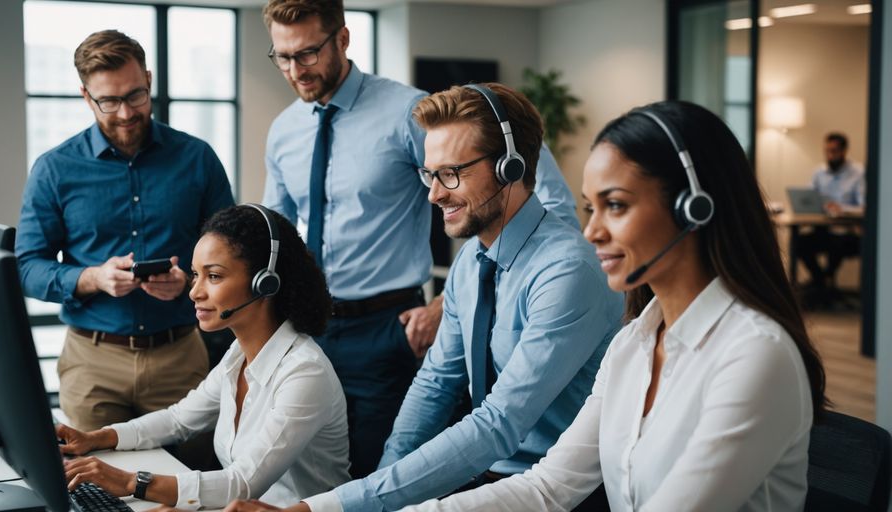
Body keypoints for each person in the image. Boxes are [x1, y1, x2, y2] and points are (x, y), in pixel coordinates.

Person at [389, 101, 828, 511]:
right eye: (590, 208)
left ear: (693, 208)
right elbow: (547, 488)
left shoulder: (755, 355)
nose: (593, 232)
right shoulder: (633, 343)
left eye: (615, 205)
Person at [226, 83, 622, 512]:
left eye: (452, 173)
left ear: (510, 166)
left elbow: (497, 425)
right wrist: (373, 494)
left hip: (561, 494)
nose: (434, 194)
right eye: (430, 174)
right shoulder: (471, 261)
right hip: (483, 479)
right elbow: (435, 387)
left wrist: (331, 508)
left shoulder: (567, 271)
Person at [261, 0, 580, 478]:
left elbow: (479, 200)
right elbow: (277, 235)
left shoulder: (405, 111)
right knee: (305, 472)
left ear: (343, 40)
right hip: (309, 327)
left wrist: (444, 304)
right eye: (282, 57)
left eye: (306, 53)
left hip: (389, 327)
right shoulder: (284, 130)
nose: (295, 70)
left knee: (377, 469)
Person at [57, 205, 350, 510]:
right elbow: (178, 419)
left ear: (265, 282)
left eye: (213, 276)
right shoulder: (238, 355)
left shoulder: (304, 373)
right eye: (195, 275)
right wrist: (96, 438)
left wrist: (132, 482)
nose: (194, 291)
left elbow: (243, 482)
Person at [16, 29, 235, 432]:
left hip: (181, 358)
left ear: (149, 80)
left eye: (135, 95)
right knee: (97, 489)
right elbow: (26, 267)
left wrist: (188, 280)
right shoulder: (54, 169)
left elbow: (233, 254)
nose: (125, 113)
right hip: (92, 364)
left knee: (193, 485)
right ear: (86, 96)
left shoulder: (197, 158)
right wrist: (92, 278)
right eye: (109, 101)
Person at [798, 132, 865, 298]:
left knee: (838, 244)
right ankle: (821, 281)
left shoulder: (858, 173)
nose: (830, 155)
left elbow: (865, 207)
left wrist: (841, 208)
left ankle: (824, 283)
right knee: (800, 244)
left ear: (844, 151)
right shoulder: (819, 173)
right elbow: (809, 197)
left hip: (848, 232)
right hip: (823, 229)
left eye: (834, 151)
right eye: (827, 151)